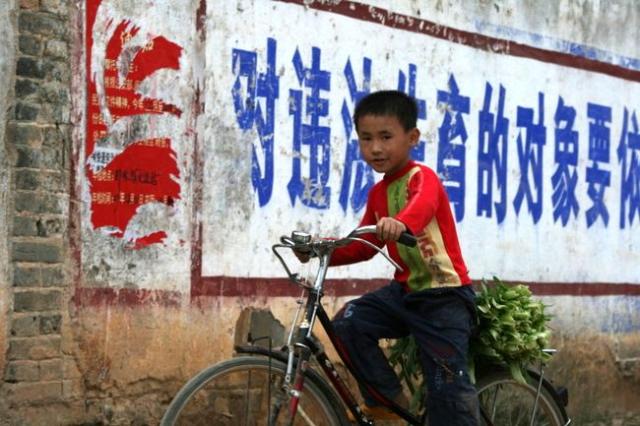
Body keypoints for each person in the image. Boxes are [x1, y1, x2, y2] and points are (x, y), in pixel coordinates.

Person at [296, 90, 480, 425]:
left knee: (447, 393)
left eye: (385, 137)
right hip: (406, 293)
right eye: (366, 139)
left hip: (444, 298)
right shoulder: (378, 193)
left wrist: (402, 223)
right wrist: (320, 250)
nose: (375, 148)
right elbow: (363, 245)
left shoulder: (422, 178)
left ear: (412, 138)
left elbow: (421, 207)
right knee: (349, 323)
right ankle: (389, 405)